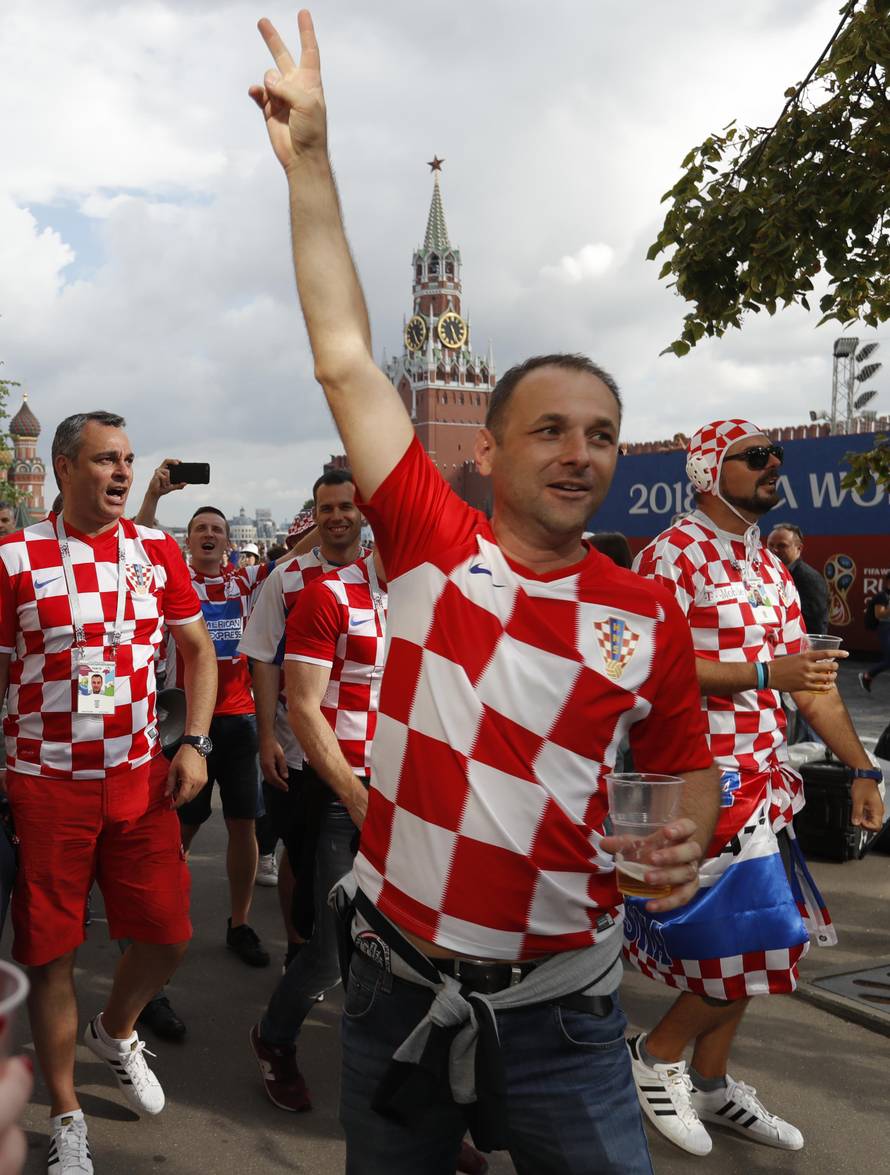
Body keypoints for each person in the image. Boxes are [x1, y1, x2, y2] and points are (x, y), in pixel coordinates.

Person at [249, 16, 720, 1173]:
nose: (577, 450)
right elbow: (344, 354)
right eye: (548, 428)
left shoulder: (643, 610)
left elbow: (683, 767)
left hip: (566, 1005)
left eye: (599, 433)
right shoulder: (426, 540)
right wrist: (311, 163)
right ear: (488, 448)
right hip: (398, 987)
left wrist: (685, 837)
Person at [629, 419, 884, 1157]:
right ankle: (655, 1054)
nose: (775, 464)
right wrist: (766, 673)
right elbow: (645, 666)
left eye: (777, 454)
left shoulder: (772, 567)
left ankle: (710, 1082)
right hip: (698, 779)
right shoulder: (670, 554)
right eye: (756, 456)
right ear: (709, 472)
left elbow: (812, 687)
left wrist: (863, 769)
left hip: (765, 782)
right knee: (758, 940)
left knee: (754, 949)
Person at [0, 411, 216, 1175]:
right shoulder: (15, 555)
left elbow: (198, 650)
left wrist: (195, 741)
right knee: (51, 953)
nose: (123, 471)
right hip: (45, 785)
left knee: (168, 933)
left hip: (140, 780)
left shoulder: (157, 550)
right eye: (104, 459)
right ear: (62, 467)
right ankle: (66, 1113)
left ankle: (116, 1028)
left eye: (127, 458)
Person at [136, 465, 273, 971]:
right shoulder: (173, 579)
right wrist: (153, 495)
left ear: (229, 542)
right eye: (200, 529)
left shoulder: (248, 579)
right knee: (180, 826)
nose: (210, 534)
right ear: (189, 541)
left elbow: (296, 557)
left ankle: (240, 922)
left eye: (217, 528)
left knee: (243, 824)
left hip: (239, 721)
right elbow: (140, 540)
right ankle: (164, 919)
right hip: (188, 722)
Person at [239, 469, 366, 968]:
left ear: (361, 512)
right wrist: (265, 737)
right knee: (299, 850)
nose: (336, 517)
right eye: (326, 509)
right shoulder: (287, 577)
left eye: (345, 507)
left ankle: (351, 954)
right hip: (296, 749)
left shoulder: (382, 575)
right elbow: (263, 659)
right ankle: (298, 948)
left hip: (367, 748)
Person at [766, 523, 829, 635]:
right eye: (770, 545)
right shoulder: (769, 573)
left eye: (782, 546)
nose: (774, 550)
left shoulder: (810, 579)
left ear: (799, 548)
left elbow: (815, 625)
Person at [858, 573, 890, 694]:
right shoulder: (882, 596)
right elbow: (879, 614)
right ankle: (867, 675)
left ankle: (868, 676)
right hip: (886, 628)